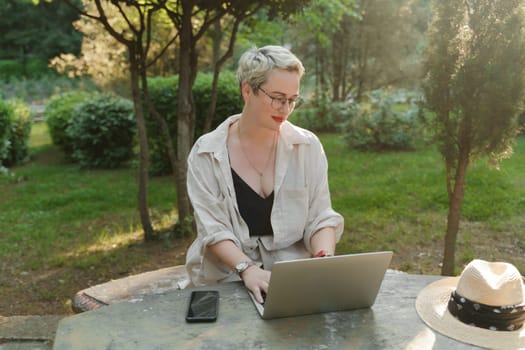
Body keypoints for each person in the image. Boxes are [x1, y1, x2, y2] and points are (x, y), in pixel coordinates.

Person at [185, 45, 344, 303]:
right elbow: (212, 228)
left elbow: (320, 216)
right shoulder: (206, 153)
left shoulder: (307, 146)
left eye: (293, 99)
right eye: (278, 98)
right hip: (228, 277)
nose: (286, 108)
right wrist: (247, 270)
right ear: (248, 90)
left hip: (293, 278)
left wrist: (323, 260)